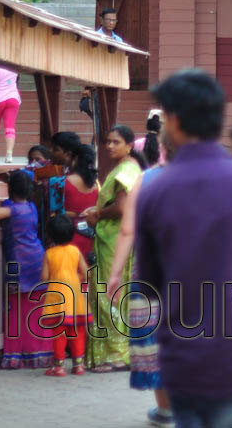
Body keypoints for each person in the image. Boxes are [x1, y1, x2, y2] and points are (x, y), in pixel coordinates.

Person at [109, 117, 232, 427]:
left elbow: (135, 243)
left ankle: (165, 410)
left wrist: (120, 276)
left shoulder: (153, 184)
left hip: (183, 337)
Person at [84, 125, 143, 372]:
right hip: (111, 236)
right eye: (108, 141)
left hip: (115, 238)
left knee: (109, 293)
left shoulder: (127, 169)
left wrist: (97, 213)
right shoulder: (125, 168)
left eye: (115, 142)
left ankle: (117, 355)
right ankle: (117, 352)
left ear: (129, 145)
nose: (109, 146)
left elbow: (121, 208)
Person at [0, 170, 51, 369]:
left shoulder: (11, 208)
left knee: (15, 309)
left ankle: (15, 355)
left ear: (10, 189)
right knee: (36, 309)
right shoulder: (32, 207)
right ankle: (39, 353)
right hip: (37, 259)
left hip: (18, 263)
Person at [41, 213, 90, 377]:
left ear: (51, 235)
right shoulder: (75, 251)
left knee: (59, 332)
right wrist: (76, 279)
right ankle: (78, 365)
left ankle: (59, 366)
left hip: (56, 298)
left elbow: (44, 278)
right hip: (75, 298)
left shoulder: (49, 253)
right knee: (78, 331)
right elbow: (86, 273)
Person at [63, 143, 100, 262]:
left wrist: (76, 214)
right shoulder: (97, 184)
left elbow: (55, 213)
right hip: (91, 239)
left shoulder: (64, 182)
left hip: (68, 239)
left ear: (75, 160)